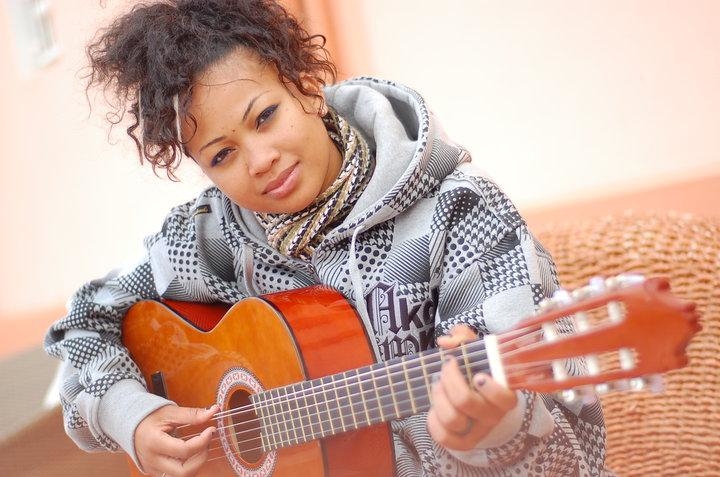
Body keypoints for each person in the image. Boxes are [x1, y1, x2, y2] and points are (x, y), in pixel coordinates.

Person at [45, 1, 609, 476]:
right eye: (222, 155)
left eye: (265, 117)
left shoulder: (458, 212)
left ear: (307, 88)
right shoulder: (211, 239)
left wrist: (501, 431)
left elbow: (571, 457)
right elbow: (85, 324)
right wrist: (130, 415)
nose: (259, 160)